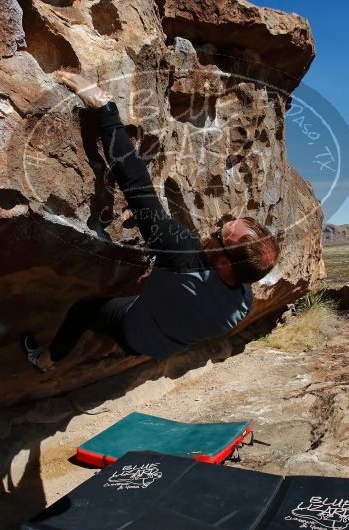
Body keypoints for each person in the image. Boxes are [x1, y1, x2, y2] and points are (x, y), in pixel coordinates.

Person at [21, 70, 280, 372]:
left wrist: (104, 108)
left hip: (135, 332)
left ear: (223, 262)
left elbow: (136, 185)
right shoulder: (241, 303)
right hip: (166, 344)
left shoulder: (180, 254)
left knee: (81, 311)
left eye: (219, 235)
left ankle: (45, 360)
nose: (212, 230)